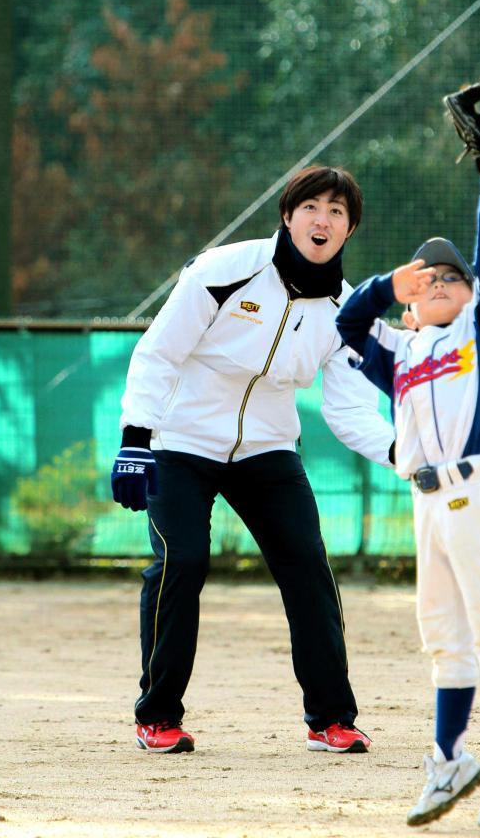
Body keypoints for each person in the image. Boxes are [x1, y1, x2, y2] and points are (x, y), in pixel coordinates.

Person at [111, 165, 395, 755]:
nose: (323, 220)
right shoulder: (223, 270)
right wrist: (136, 441)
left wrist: (407, 453)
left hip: (268, 448)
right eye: (312, 206)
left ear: (349, 231)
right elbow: (158, 353)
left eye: (338, 213)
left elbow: (348, 411)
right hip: (180, 442)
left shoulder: (349, 311)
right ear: (287, 215)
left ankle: (330, 719)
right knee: (181, 562)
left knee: (308, 568)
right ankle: (158, 716)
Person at [335, 159, 480, 829]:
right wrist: (383, 287)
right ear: (409, 300)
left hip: (474, 491)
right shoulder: (400, 352)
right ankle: (450, 759)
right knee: (444, 640)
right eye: (427, 279)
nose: (442, 282)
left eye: (452, 276)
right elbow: (345, 326)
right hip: (424, 503)